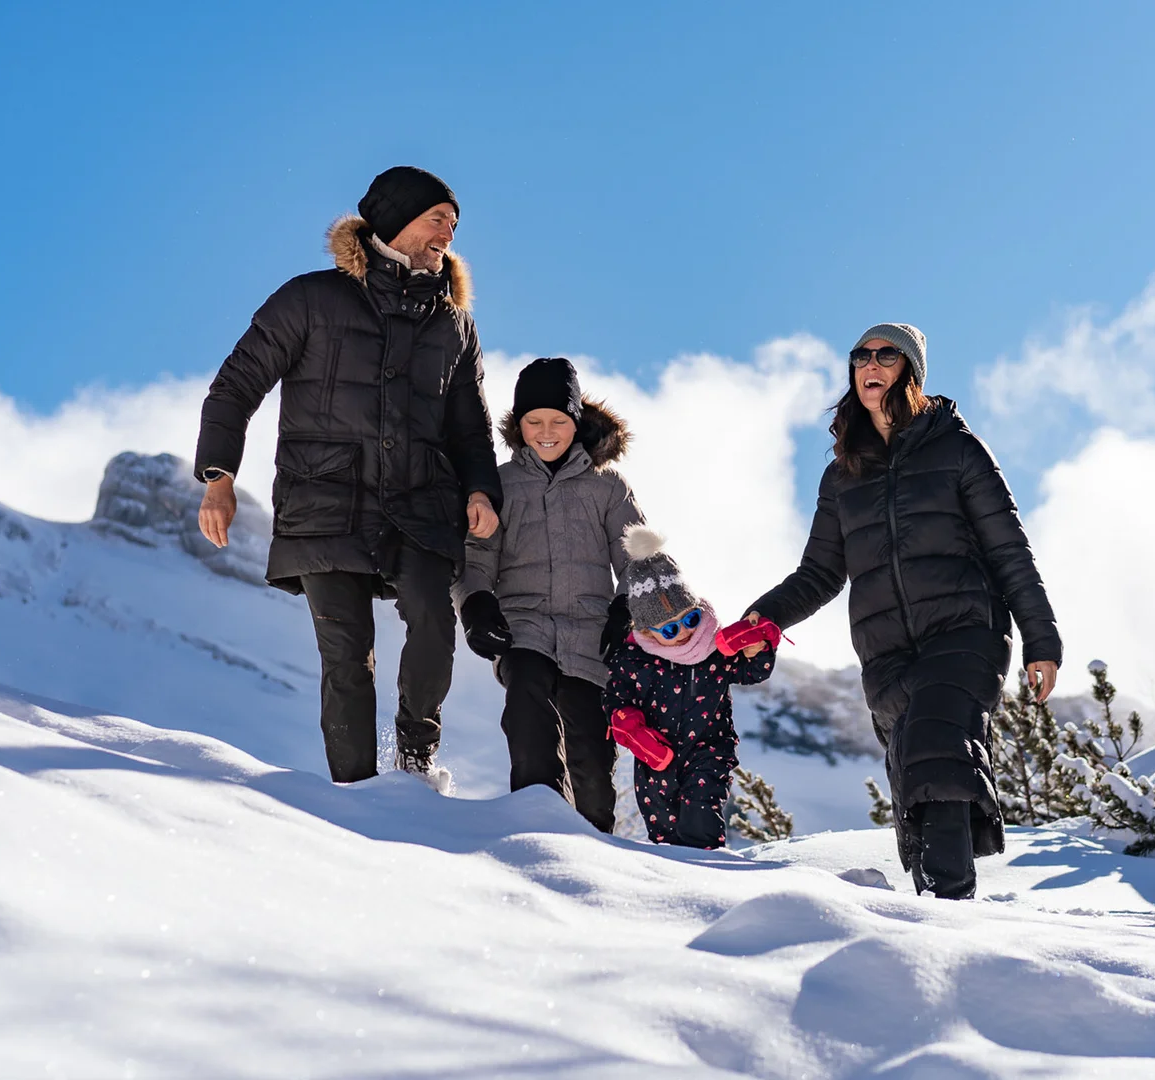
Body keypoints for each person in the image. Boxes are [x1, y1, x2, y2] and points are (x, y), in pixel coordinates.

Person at [193, 166, 502, 791]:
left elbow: (471, 428)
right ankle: (355, 794)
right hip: (324, 503)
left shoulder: (454, 325)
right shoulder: (310, 299)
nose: (449, 231)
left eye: (454, 222)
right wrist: (218, 475)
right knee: (346, 656)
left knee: (435, 624)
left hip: (419, 504)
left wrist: (480, 488)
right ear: (396, 220)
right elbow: (236, 387)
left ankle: (416, 756)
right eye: (438, 217)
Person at [746, 323, 1061, 899]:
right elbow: (819, 572)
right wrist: (762, 619)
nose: (870, 363)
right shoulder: (843, 475)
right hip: (886, 652)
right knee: (915, 776)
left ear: (910, 370)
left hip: (966, 632)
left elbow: (1008, 548)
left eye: (886, 354)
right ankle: (932, 916)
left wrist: (1042, 640)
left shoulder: (957, 448)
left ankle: (947, 905)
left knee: (936, 747)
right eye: (861, 355)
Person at [453, 357, 643, 831]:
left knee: (592, 774)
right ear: (518, 425)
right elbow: (474, 560)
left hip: (591, 641)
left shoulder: (607, 487)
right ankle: (540, 828)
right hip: (525, 629)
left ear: (576, 421)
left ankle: (594, 846)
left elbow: (642, 557)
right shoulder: (501, 484)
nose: (546, 431)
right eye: (533, 421)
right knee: (529, 717)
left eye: (558, 420)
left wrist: (629, 606)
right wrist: (475, 603)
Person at [604, 525, 777, 849]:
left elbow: (751, 672)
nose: (684, 632)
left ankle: (708, 871)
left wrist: (760, 648)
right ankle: (676, 888)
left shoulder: (714, 646)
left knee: (700, 815)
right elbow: (616, 699)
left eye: (691, 618)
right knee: (664, 828)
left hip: (709, 748)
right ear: (647, 632)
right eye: (670, 630)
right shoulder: (633, 660)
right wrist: (631, 729)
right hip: (657, 756)